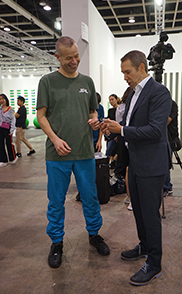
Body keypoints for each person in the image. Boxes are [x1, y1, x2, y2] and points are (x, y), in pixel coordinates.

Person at [36, 36, 110, 269]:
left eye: (77, 56)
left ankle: (94, 234)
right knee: (56, 201)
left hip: (84, 152)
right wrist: (55, 139)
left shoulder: (87, 82)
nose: (74, 61)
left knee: (90, 197)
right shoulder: (47, 81)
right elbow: (41, 116)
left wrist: (95, 121)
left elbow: (92, 112)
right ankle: (57, 242)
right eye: (69, 58)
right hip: (57, 154)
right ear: (57, 57)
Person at [101, 50, 172, 286]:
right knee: (139, 210)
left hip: (151, 164)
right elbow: (129, 125)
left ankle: (154, 262)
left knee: (150, 214)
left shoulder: (159, 92)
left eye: (127, 72)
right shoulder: (133, 95)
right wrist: (111, 125)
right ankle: (145, 245)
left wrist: (120, 130)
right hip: (135, 162)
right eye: (123, 73)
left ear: (142, 68)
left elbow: (154, 130)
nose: (124, 77)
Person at [163, 100, 181, 196]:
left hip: (170, 137)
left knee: (165, 163)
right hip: (160, 137)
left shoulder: (172, 104)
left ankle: (166, 187)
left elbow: (167, 121)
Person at [0, 93, 18, 167]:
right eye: (0, 99)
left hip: (7, 129)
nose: (1, 100)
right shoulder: (0, 109)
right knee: (0, 144)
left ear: (6, 99)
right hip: (0, 128)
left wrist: (11, 130)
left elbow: (13, 120)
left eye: (3, 99)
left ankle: (13, 158)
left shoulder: (10, 109)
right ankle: (3, 160)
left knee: (9, 144)